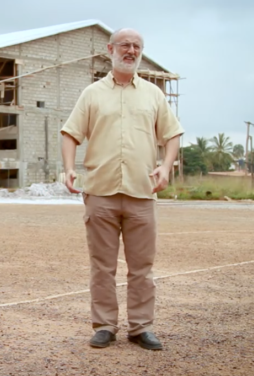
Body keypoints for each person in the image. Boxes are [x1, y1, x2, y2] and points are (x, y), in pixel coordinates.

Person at [60, 28, 184, 351]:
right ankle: (104, 326)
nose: (131, 50)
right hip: (100, 193)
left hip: (142, 194)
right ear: (110, 49)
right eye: (125, 45)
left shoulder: (154, 95)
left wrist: (166, 166)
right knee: (102, 266)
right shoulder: (92, 94)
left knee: (142, 267)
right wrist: (70, 168)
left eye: (137, 46)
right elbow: (70, 133)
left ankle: (141, 327)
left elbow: (172, 135)